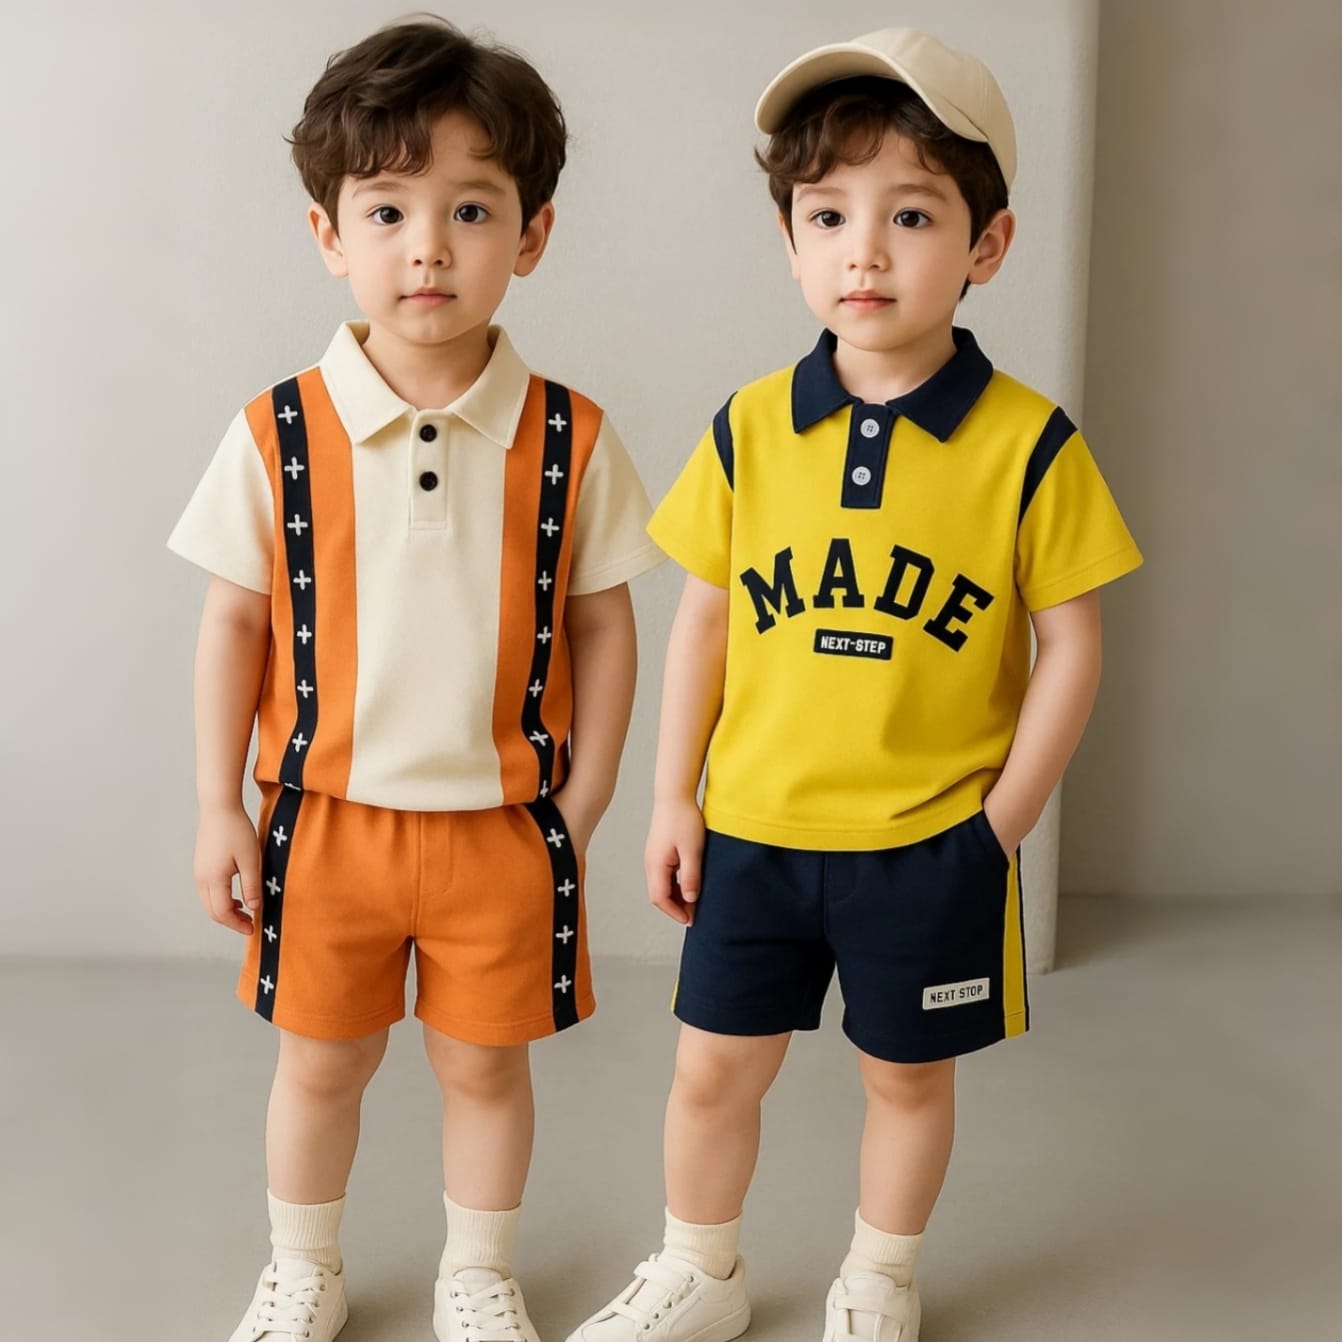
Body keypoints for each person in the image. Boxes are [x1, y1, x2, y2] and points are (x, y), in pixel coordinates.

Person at [566, 27, 1142, 1342]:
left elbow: (1074, 643)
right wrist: (672, 797)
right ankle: (700, 1269)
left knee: (906, 1079)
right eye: (827, 215)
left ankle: (878, 1276)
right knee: (711, 1070)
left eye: (911, 215)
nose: (863, 252)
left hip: (927, 840)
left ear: (988, 245)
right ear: (790, 240)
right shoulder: (748, 425)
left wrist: (999, 824)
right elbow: (705, 618)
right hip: (755, 828)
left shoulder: (1030, 444)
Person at [168, 18, 661, 1341]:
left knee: (483, 1069)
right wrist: (219, 805)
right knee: (318, 1065)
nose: (427, 247)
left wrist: (585, 799)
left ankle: (477, 1272)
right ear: (329, 233)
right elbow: (233, 623)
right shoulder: (276, 431)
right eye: (386, 210)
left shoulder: (570, 437)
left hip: (500, 826)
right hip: (323, 824)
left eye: (470, 210)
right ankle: (304, 1267)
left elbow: (606, 626)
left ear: (532, 234)